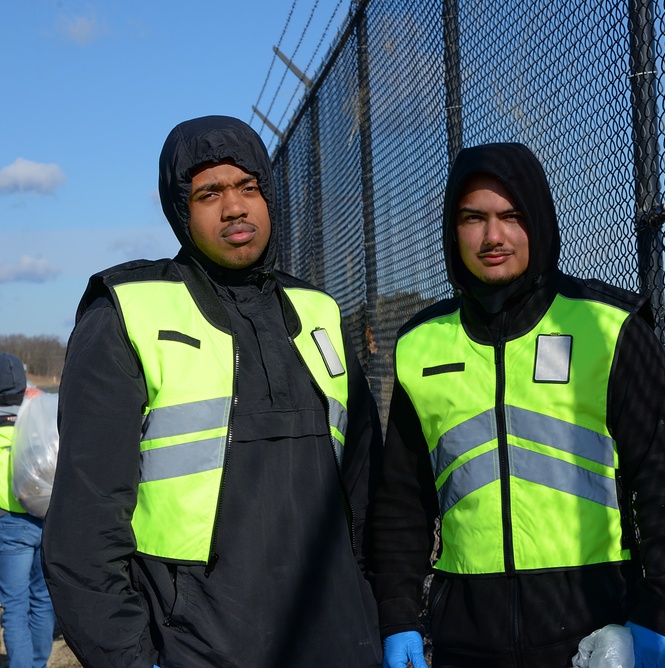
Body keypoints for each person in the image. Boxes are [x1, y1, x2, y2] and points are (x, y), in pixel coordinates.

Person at [42, 115, 383, 668]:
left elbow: (369, 490)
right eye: (209, 193)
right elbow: (84, 531)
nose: (234, 207)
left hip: (340, 642)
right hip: (198, 649)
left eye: (248, 187)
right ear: (180, 210)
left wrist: (383, 618)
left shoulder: (319, 313)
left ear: (269, 195)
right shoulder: (128, 314)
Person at [369, 142, 665, 668]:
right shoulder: (420, 345)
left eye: (511, 216)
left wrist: (661, 615)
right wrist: (397, 615)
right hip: (465, 640)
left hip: (594, 637)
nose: (493, 236)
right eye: (473, 218)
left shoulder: (609, 327)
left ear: (539, 221)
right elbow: (401, 504)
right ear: (453, 231)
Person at [0, 352, 55, 668]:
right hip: (43, 517)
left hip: (10, 525)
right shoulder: (37, 417)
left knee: (15, 605)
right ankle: (38, 662)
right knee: (42, 598)